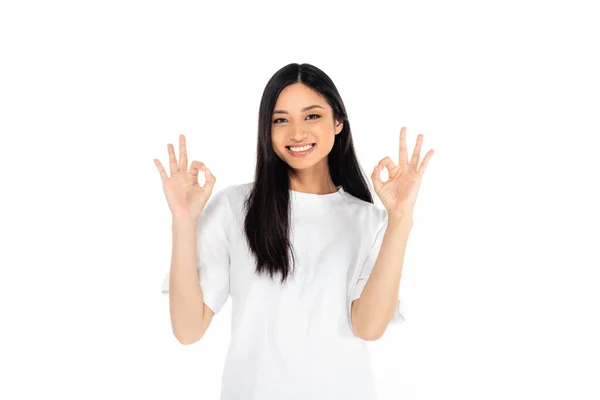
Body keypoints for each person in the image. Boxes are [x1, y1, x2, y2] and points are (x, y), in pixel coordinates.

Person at [153, 63, 434, 399]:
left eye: (312, 116)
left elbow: (369, 327)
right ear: (266, 131)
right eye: (281, 120)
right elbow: (187, 330)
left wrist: (400, 216)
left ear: (338, 122)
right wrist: (183, 219)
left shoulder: (369, 221)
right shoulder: (234, 207)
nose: (297, 132)